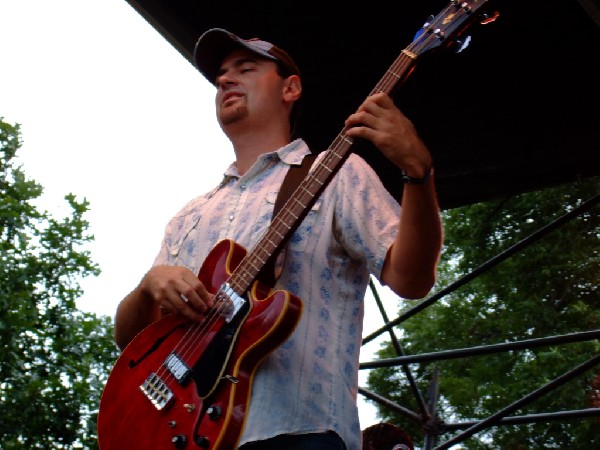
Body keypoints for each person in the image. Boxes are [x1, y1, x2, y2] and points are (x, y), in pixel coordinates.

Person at [114, 28, 443, 450]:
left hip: (299, 431)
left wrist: (419, 173)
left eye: (245, 68)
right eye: (221, 75)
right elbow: (130, 341)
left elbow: (411, 279)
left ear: (290, 88)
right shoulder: (190, 215)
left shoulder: (337, 172)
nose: (225, 80)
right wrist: (148, 285)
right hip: (191, 434)